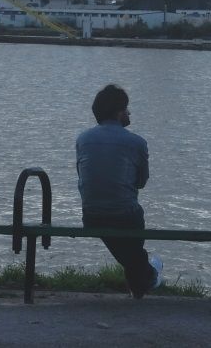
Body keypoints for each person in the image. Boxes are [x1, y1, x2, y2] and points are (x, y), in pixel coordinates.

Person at [76, 84, 162, 298]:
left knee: (128, 249)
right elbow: (141, 183)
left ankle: (143, 280)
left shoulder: (83, 139)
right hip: (125, 216)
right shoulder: (137, 143)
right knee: (132, 232)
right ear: (119, 112)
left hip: (91, 215)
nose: (129, 112)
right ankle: (148, 277)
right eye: (126, 108)